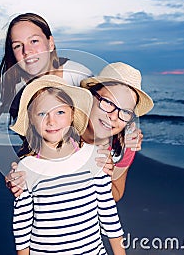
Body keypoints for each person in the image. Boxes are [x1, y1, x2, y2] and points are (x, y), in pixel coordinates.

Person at [10, 75, 125, 254]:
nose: (51, 121)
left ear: (72, 114)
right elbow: (22, 228)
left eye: (60, 112)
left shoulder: (95, 157)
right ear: (31, 120)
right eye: (42, 113)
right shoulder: (27, 168)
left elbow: (109, 214)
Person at [7, 62, 153, 202]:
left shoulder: (124, 146)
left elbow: (117, 194)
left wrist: (105, 172)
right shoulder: (59, 129)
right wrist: (19, 178)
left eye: (126, 111)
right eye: (108, 102)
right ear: (90, 96)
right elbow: (32, 169)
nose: (114, 117)